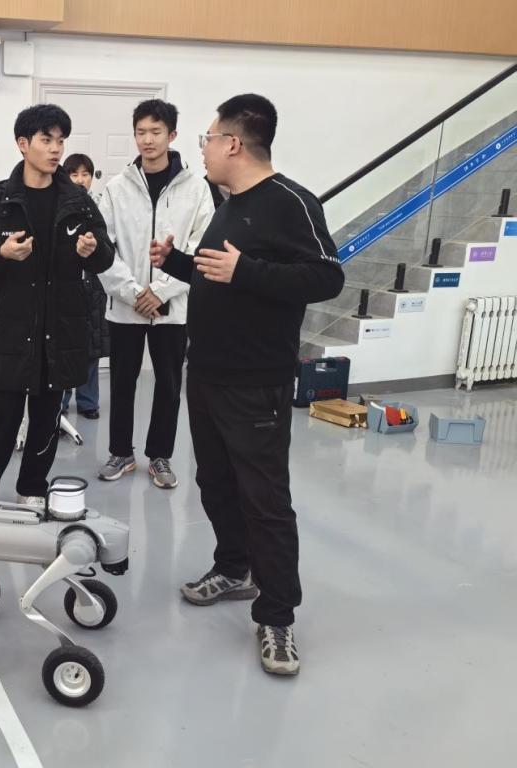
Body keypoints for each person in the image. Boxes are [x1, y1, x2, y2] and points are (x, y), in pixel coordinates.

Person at [151, 94, 344, 675]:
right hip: (208, 373)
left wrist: (248, 270)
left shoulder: (291, 202)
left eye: (208, 138)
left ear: (233, 143)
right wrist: (177, 263)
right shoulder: (229, 203)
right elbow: (222, 274)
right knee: (214, 482)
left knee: (265, 499)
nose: (203, 149)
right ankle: (234, 568)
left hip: (256, 383)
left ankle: (277, 616)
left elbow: (327, 277)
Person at [0, 104, 114, 514]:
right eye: (47, 140)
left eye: (60, 140)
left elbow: (105, 256)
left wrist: (92, 249)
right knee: (1, 422)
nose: (56, 149)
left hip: (60, 332)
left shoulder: (78, 202)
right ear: (23, 144)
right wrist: (1, 253)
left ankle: (32, 488)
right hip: (12, 332)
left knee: (46, 421)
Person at [96, 99, 214, 489]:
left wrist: (162, 291)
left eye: (155, 132)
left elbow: (200, 248)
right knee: (122, 382)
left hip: (173, 308)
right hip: (126, 307)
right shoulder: (117, 188)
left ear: (172, 135)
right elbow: (103, 248)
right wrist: (133, 293)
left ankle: (160, 455)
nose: (147, 140)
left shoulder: (196, 189)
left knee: (168, 384)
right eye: (141, 132)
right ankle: (121, 452)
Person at [60, 152, 107, 420]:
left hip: (94, 286)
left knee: (91, 347)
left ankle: (88, 402)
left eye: (85, 174)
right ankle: (61, 403)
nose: (80, 179)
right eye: (74, 174)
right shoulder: (59, 205)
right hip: (66, 286)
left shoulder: (100, 206)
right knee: (64, 348)